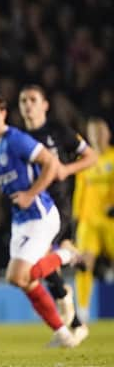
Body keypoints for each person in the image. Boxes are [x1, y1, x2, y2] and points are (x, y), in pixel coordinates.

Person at [0, 91, 84, 348]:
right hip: (20, 221)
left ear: (3, 113)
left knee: (16, 276)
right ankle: (63, 333)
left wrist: (30, 193)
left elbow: (50, 164)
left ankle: (66, 255)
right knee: (26, 281)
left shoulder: (16, 139)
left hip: (41, 213)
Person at [18, 84, 96, 340]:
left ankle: (68, 256)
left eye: (33, 100)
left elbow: (91, 157)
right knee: (42, 265)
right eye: (23, 101)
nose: (28, 105)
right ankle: (74, 323)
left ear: (44, 105)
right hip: (34, 208)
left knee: (40, 259)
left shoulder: (58, 130)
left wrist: (65, 170)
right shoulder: (19, 138)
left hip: (59, 205)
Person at [73, 117, 114, 323]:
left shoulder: (113, 158)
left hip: (111, 222)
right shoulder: (85, 161)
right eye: (93, 133)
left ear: (108, 134)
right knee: (84, 265)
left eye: (101, 132)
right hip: (88, 222)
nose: (97, 137)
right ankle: (82, 310)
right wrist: (75, 218)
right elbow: (79, 191)